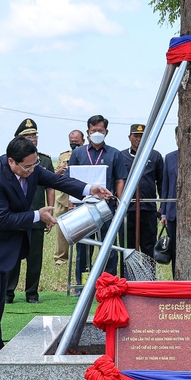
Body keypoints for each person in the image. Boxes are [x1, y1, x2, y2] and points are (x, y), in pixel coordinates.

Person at [0, 136, 112, 368]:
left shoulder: (31, 169)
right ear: (11, 162)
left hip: (3, 245)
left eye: (34, 165)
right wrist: (36, 215)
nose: (32, 170)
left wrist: (90, 189)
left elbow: (58, 180)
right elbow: (1, 219)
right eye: (27, 167)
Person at [68, 115, 127, 282]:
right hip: (83, 206)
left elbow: (120, 179)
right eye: (93, 130)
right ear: (88, 132)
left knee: (108, 244)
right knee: (83, 244)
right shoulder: (78, 153)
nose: (97, 133)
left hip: (106, 206)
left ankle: (108, 280)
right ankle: (81, 283)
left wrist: (119, 201)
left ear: (106, 132)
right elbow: (69, 179)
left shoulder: (114, 154)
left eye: (100, 130)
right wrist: (70, 201)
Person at [6, 119, 54, 304]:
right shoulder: (11, 161)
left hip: (38, 214)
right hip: (16, 217)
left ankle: (32, 293)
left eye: (34, 135)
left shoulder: (45, 160)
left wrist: (50, 214)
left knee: (35, 258)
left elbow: (50, 187)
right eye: (27, 136)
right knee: (13, 256)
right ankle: (8, 293)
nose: (32, 139)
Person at [121, 124, 164, 259]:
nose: (139, 139)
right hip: (127, 209)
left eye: (142, 136)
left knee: (149, 246)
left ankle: (149, 278)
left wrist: (162, 206)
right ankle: (127, 278)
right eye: (136, 136)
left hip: (148, 208)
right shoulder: (121, 156)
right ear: (129, 137)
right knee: (127, 246)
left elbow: (161, 183)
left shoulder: (155, 156)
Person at [53, 130, 85, 266]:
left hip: (79, 198)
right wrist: (61, 170)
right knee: (61, 230)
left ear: (83, 140)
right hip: (63, 198)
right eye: (71, 142)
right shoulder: (63, 156)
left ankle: (82, 259)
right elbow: (55, 175)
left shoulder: (86, 154)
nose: (73, 145)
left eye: (76, 142)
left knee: (81, 230)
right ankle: (61, 258)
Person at [160, 127, 179, 277]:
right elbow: (165, 186)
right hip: (172, 212)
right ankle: (175, 278)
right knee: (173, 248)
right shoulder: (170, 157)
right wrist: (164, 212)